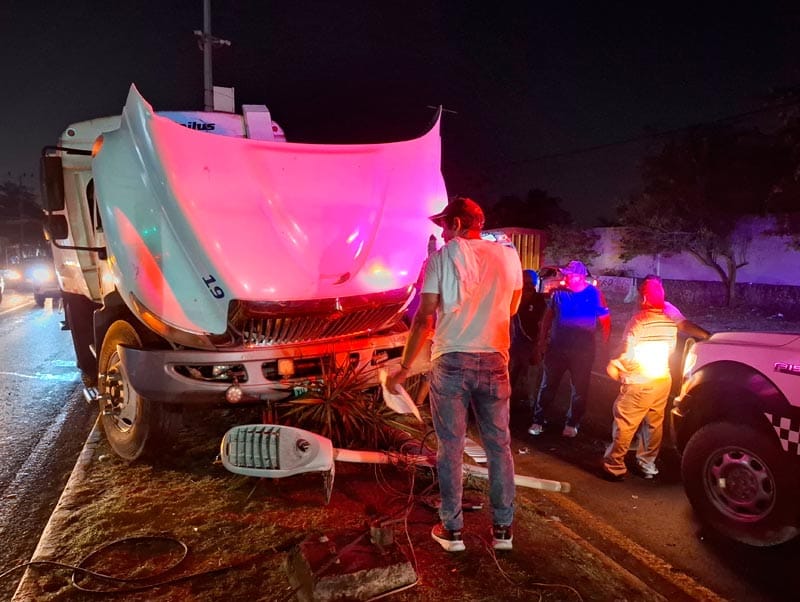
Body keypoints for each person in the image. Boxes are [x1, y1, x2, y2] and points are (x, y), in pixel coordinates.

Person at [387, 196, 522, 553]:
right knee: (499, 447)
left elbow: (424, 316)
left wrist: (403, 368)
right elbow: (513, 306)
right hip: (494, 359)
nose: (442, 233)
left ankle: (452, 531)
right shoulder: (509, 256)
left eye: (445, 226)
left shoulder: (440, 260)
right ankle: (503, 531)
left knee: (451, 447)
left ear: (459, 224)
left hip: (451, 361)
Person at [601, 277, 678, 481]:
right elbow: (670, 351)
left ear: (643, 298)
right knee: (654, 424)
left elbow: (628, 351)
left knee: (625, 423)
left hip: (639, 381)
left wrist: (616, 364)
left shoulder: (639, 321)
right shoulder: (670, 323)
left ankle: (614, 466)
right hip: (662, 379)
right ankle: (648, 464)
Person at [528, 260, 610, 438]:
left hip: (583, 352)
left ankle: (572, 423)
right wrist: (541, 342)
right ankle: (538, 420)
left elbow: (605, 321)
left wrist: (604, 344)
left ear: (580, 277)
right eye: (565, 274)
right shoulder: (558, 294)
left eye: (569, 275)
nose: (565, 277)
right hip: (557, 350)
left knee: (580, 390)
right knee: (547, 386)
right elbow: (547, 319)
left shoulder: (595, 294)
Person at [509, 269, 547, 410]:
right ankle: (509, 402)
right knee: (511, 375)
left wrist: (538, 347)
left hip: (531, 345)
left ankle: (533, 408)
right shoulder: (515, 298)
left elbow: (543, 324)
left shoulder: (539, 301)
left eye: (529, 283)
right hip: (515, 345)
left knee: (532, 379)